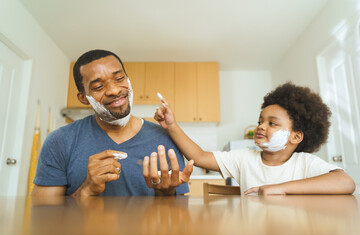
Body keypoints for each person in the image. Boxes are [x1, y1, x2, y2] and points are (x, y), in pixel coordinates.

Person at [32, 49, 193, 197]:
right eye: (98, 86)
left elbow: (177, 215)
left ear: (128, 81)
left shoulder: (165, 139)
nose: (114, 90)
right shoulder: (59, 141)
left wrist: (166, 194)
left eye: (119, 78)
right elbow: (43, 214)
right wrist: (86, 190)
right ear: (83, 98)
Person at [154, 83, 356, 195]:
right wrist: (172, 125)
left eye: (272, 123)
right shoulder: (244, 159)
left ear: (296, 136)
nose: (261, 126)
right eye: (260, 121)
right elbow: (198, 156)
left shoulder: (304, 163)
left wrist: (279, 189)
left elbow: (345, 182)